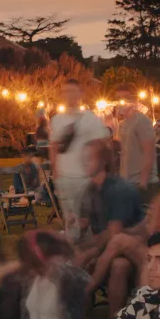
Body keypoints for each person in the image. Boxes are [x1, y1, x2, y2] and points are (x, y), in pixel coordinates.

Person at [75, 139, 148, 316]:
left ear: (103, 162)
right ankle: (82, 316)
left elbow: (113, 233)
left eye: (89, 158)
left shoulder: (118, 189)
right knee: (74, 254)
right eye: (83, 158)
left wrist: (88, 251)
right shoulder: (90, 189)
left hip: (131, 248)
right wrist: (73, 234)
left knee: (119, 266)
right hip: (107, 247)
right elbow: (82, 226)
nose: (84, 162)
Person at [50, 79, 111, 241]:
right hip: (64, 176)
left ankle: (88, 254)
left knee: (86, 219)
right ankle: (73, 251)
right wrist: (55, 172)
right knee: (69, 219)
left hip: (84, 177)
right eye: (65, 91)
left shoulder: (90, 118)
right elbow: (54, 147)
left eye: (72, 91)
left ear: (80, 94)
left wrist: (97, 170)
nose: (69, 95)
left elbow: (103, 143)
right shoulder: (57, 119)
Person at [115, 83, 158, 203]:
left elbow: (148, 151)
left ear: (134, 100)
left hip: (142, 182)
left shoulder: (142, 121)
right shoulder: (122, 124)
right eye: (118, 99)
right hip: (127, 181)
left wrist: (143, 182)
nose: (121, 102)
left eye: (125, 98)